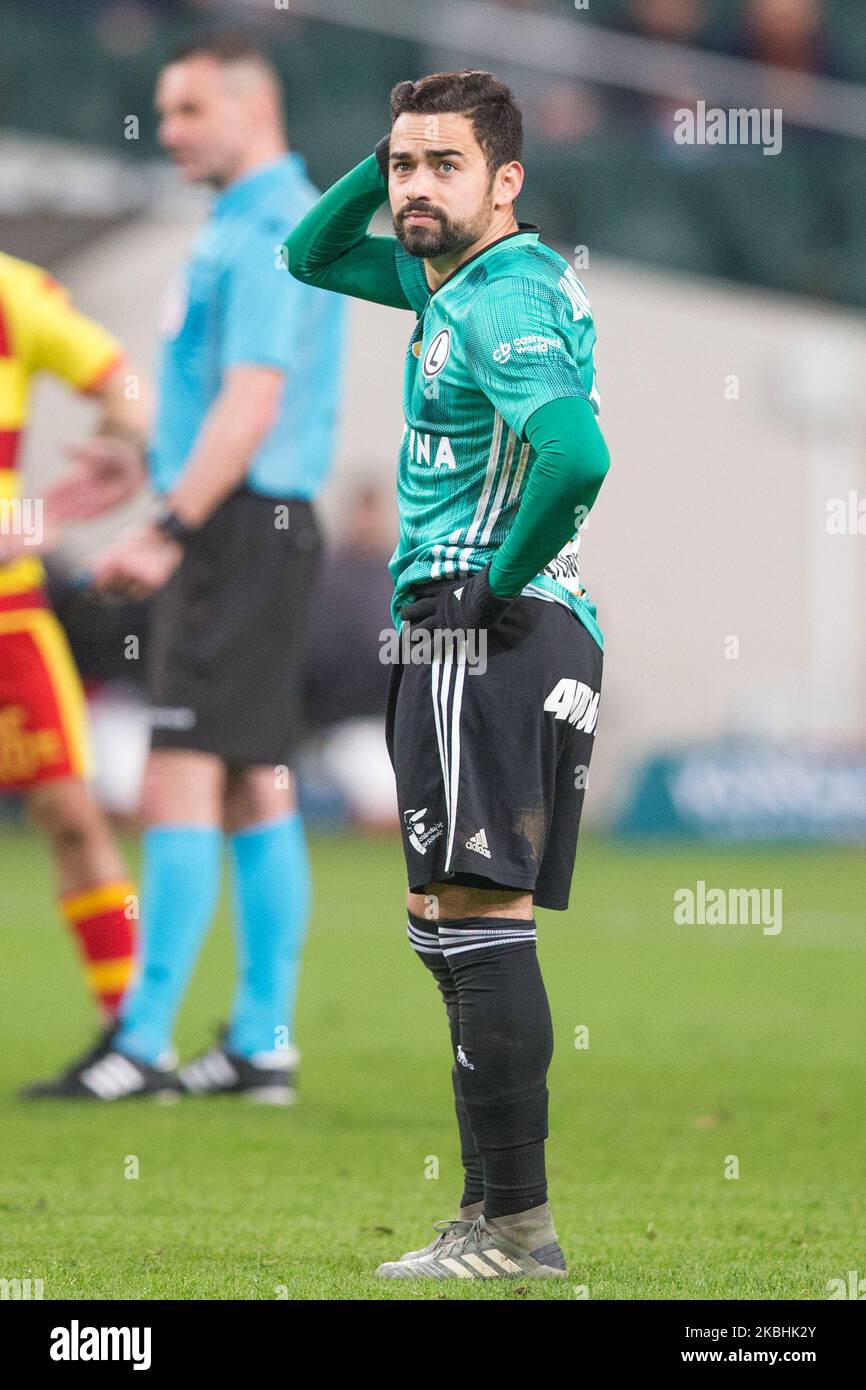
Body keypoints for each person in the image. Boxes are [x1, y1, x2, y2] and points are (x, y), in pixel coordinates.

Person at [284, 70, 609, 1278]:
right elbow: (308, 256)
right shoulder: (448, 278)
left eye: (442, 167)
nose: (414, 189)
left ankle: (516, 1227)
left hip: (487, 622)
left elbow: (576, 452)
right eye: (401, 166)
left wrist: (492, 586)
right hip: (454, 625)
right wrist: (387, 168)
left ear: (506, 181)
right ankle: (485, 1217)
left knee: (479, 920)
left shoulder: (505, 293)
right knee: (443, 922)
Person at [47, 33, 346, 1103]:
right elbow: (223, 400)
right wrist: (135, 465)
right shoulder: (247, 223)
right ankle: (259, 1040)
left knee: (181, 775)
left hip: (232, 531)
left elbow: (253, 401)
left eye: (183, 112)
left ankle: (142, 1045)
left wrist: (169, 524)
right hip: (247, 520)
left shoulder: (270, 227)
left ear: (246, 108)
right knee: (250, 783)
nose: (165, 131)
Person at [0, 251, 147, 1096]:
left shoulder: (18, 297)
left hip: (9, 609)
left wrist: (122, 445)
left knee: (67, 811)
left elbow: (124, 385)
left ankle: (129, 1030)